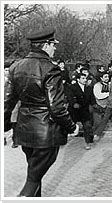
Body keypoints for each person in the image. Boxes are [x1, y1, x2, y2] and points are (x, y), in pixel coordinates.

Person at [4, 28, 78, 197]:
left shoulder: (16, 67)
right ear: (46, 45)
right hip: (46, 133)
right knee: (33, 179)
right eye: (53, 45)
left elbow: (8, 101)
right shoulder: (51, 69)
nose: (55, 49)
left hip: (24, 131)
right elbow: (57, 108)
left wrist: (5, 124)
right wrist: (71, 127)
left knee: (34, 174)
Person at [67, 73, 96, 150]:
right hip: (74, 111)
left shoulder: (89, 88)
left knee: (87, 126)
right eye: (83, 78)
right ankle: (64, 140)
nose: (85, 80)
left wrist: (94, 105)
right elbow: (70, 97)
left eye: (85, 78)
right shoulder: (72, 87)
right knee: (68, 126)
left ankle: (87, 143)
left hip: (84, 111)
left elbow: (92, 98)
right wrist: (74, 104)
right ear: (78, 79)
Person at [92, 71, 112, 141]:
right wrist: (109, 94)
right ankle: (96, 134)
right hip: (101, 106)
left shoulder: (110, 84)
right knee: (102, 121)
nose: (107, 78)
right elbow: (98, 96)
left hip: (110, 106)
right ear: (101, 78)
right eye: (105, 77)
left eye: (108, 77)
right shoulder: (97, 85)